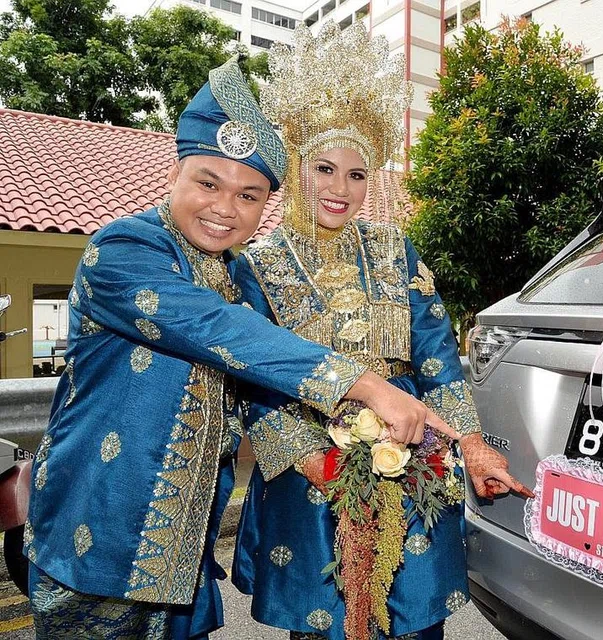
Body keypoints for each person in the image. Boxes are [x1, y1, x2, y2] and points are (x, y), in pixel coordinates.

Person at [25, 56, 449, 639]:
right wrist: (366, 385)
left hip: (184, 548)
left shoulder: (236, 273)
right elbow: (223, 332)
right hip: (101, 532)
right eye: (208, 183)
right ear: (172, 175)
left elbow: (258, 386)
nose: (226, 209)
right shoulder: (123, 250)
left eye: (249, 196)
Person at [230, 23, 532, 640]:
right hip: (314, 473)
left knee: (413, 620)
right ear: (297, 167)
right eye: (324, 168)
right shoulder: (257, 264)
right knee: (324, 624)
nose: (341, 189)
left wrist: (470, 446)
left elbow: (436, 356)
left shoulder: (397, 251)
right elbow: (252, 377)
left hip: (412, 460)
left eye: (359, 174)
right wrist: (315, 459)